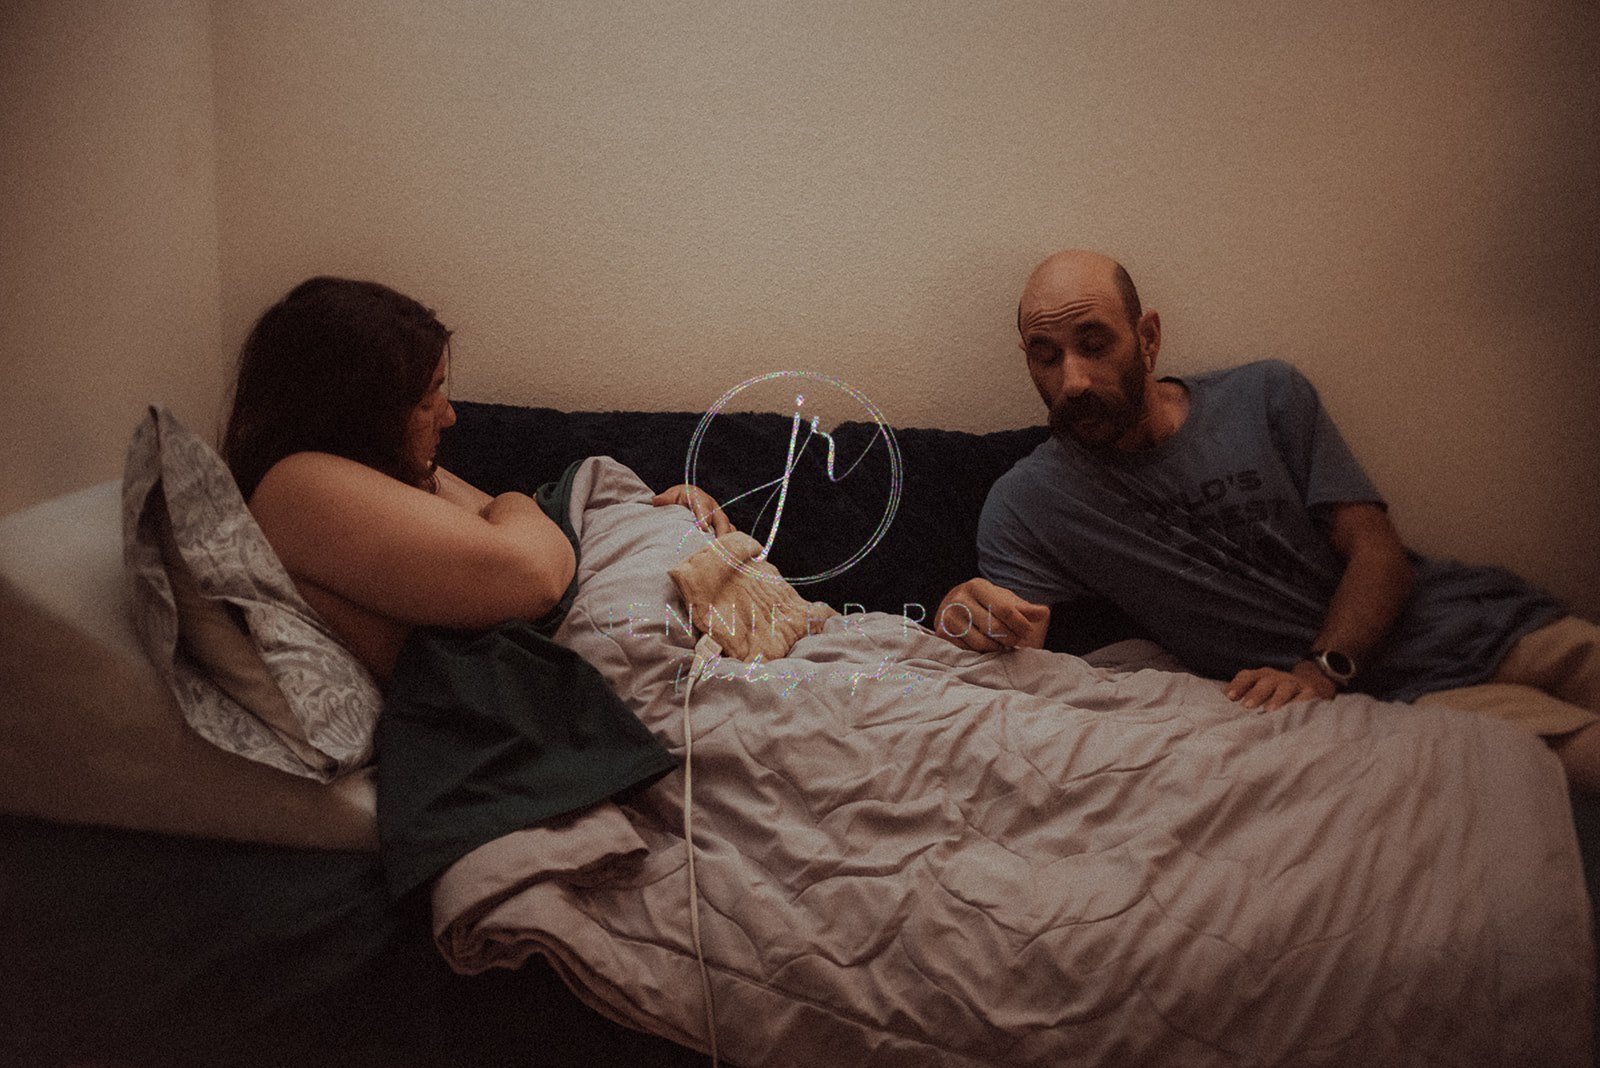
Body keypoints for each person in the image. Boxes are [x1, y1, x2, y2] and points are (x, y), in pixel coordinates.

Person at [936, 249, 1600, 792]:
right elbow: (1013, 631)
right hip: (1407, 699)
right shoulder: (1029, 503)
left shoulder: (1265, 395)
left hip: (1482, 616)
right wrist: (963, 613)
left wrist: (1319, 670)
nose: (1073, 379)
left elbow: (1378, 553)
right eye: (1046, 354)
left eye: (1094, 343)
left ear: (1147, 339)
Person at [223, 275, 730, 682]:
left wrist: (647, 514)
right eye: (426, 400)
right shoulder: (297, 485)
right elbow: (538, 571)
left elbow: (525, 533)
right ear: (352, 411)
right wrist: (517, 501)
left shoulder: (381, 476)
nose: (448, 418)